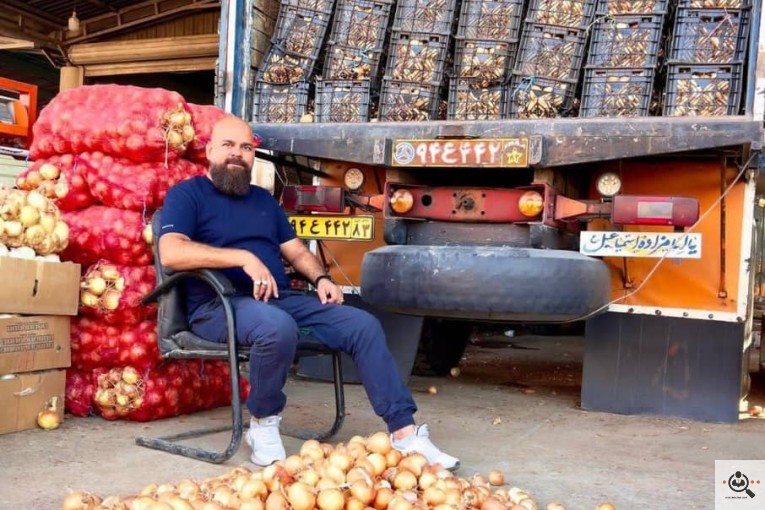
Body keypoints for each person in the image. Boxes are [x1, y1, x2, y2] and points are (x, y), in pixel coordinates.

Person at [158, 116, 459, 470]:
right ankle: (264, 422)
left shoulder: (263, 202)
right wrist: (242, 257)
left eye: (246, 148)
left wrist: (321, 279)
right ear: (210, 151)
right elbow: (171, 253)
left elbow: (297, 252)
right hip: (218, 305)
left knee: (361, 325)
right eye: (228, 146)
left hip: (277, 300)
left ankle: (405, 433)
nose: (237, 154)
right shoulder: (187, 195)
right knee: (276, 327)